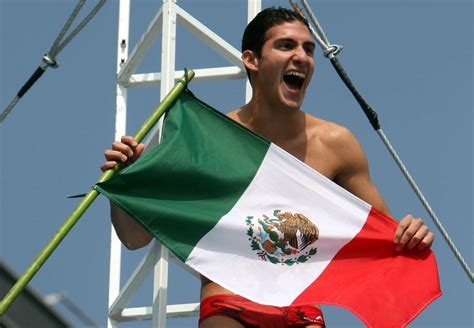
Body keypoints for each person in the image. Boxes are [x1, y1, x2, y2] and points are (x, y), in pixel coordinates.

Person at [101, 7, 434, 328]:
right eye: (286, 45)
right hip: (229, 306)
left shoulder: (335, 144)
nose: (301, 57)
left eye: (308, 49)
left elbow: (386, 240)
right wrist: (126, 181)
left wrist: (411, 234)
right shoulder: (208, 141)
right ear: (252, 60)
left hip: (301, 311)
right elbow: (134, 237)